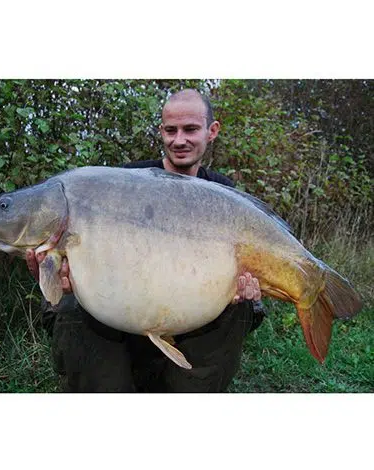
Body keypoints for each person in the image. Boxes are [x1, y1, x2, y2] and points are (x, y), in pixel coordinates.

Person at [26, 89, 266, 392]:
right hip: (120, 315)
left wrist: (246, 287)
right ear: (161, 131)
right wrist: (55, 275)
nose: (179, 140)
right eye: (170, 130)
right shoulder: (128, 180)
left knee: (244, 306)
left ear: (212, 131)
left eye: (190, 129)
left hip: (190, 313)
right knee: (70, 303)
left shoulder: (223, 192)